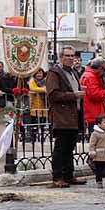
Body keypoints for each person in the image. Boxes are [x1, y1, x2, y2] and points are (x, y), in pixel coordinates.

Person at [44, 46, 86, 188]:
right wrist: (74, 95)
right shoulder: (54, 73)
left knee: (70, 147)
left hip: (74, 114)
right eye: (67, 55)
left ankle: (69, 175)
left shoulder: (73, 72)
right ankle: (57, 177)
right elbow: (53, 94)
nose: (70, 58)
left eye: (72, 55)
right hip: (62, 116)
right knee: (61, 147)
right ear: (61, 57)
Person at [80, 59, 105, 129]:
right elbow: (94, 95)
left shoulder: (89, 75)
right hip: (95, 113)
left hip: (93, 113)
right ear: (100, 68)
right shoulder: (91, 77)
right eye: (104, 70)